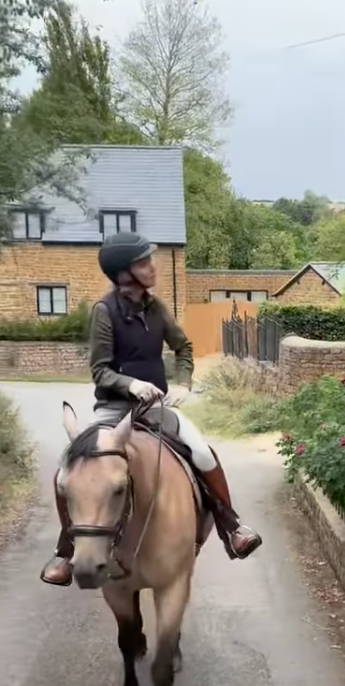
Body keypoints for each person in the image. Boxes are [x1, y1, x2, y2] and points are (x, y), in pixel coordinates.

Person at [41, 231, 262, 586]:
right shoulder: (104, 311)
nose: (152, 266)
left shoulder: (156, 307)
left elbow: (183, 347)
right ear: (124, 273)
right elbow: (100, 370)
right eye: (143, 262)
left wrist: (184, 383)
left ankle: (231, 527)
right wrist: (131, 385)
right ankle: (66, 552)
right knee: (66, 470)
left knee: (202, 452)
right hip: (113, 409)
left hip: (155, 408)